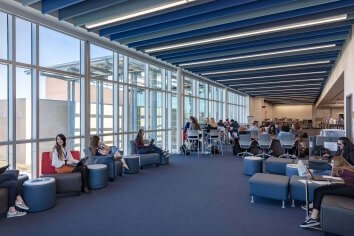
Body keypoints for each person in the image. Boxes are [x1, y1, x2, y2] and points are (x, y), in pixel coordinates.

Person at [300, 156, 354, 228]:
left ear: (337, 163)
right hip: (349, 188)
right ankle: (314, 210)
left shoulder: (341, 169)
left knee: (319, 191)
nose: (331, 164)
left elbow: (342, 180)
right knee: (319, 190)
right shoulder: (345, 168)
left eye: (332, 162)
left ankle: (314, 218)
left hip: (350, 189)